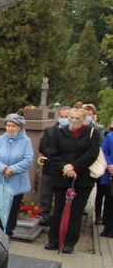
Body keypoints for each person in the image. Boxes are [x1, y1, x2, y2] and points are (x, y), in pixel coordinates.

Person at [45, 107, 101, 253]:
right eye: (72, 118)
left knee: (76, 211)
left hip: (82, 179)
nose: (74, 121)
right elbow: (53, 153)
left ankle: (70, 242)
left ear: (84, 120)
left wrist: (74, 167)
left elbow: (92, 154)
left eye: (78, 119)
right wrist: (65, 167)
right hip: (62, 177)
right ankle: (54, 240)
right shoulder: (59, 132)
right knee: (58, 209)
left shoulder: (92, 133)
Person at [0, 113, 34, 236]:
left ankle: (8, 232)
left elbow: (28, 159)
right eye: (8, 125)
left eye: (13, 126)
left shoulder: (26, 141)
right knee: (0, 207)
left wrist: (12, 169)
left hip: (16, 181)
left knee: (13, 209)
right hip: (0, 179)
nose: (10, 128)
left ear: (19, 127)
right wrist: (2, 168)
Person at [38, 106, 70, 225]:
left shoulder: (71, 134)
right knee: (46, 193)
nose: (63, 119)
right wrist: (54, 154)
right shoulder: (50, 130)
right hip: (50, 167)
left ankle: (58, 218)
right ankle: (43, 215)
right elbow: (43, 146)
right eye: (62, 116)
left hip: (64, 169)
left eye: (66, 117)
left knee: (60, 197)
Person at [100, 121, 113, 237]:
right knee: (109, 200)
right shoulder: (110, 136)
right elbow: (104, 151)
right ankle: (107, 226)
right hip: (111, 173)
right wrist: (110, 165)